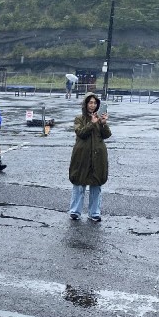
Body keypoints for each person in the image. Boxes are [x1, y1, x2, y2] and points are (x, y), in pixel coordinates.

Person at [68, 92, 111, 222]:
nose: (93, 105)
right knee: (79, 183)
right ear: (86, 104)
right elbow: (81, 133)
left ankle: (94, 212)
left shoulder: (99, 119)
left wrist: (103, 123)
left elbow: (107, 135)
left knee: (96, 184)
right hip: (82, 156)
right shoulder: (79, 119)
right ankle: (75, 211)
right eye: (90, 102)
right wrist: (92, 123)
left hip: (98, 156)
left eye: (95, 103)